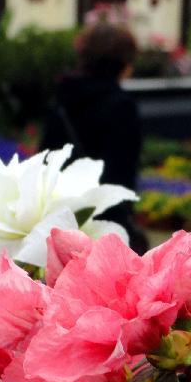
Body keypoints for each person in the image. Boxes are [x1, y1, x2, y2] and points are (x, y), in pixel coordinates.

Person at [41, 22, 148, 253]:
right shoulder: (122, 108)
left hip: (61, 221)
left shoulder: (63, 99)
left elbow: (46, 161)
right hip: (104, 223)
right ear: (124, 64)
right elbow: (121, 175)